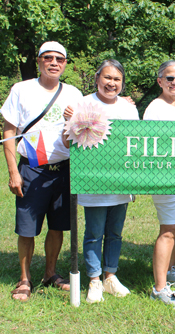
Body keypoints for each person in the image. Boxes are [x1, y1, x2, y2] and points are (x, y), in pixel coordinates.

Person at [1, 41, 83, 301]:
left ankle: (50, 273)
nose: (54, 62)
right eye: (48, 58)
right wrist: (14, 172)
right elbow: (9, 132)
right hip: (32, 168)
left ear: (66, 64)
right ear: (39, 61)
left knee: (58, 226)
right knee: (27, 228)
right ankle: (24, 280)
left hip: (64, 168)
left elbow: (84, 130)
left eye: (59, 59)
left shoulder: (74, 93)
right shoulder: (21, 90)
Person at [63, 59, 139, 303]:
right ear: (97, 79)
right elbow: (66, 142)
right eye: (107, 78)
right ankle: (94, 280)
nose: (112, 83)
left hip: (121, 180)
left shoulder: (129, 109)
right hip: (93, 181)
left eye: (117, 79)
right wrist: (74, 121)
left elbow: (136, 143)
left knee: (115, 232)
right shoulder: (82, 104)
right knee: (94, 233)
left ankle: (110, 276)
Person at [143, 60, 175, 307]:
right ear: (160, 81)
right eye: (170, 78)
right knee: (168, 229)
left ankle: (171, 270)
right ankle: (160, 288)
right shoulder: (155, 108)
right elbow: (152, 147)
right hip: (166, 177)